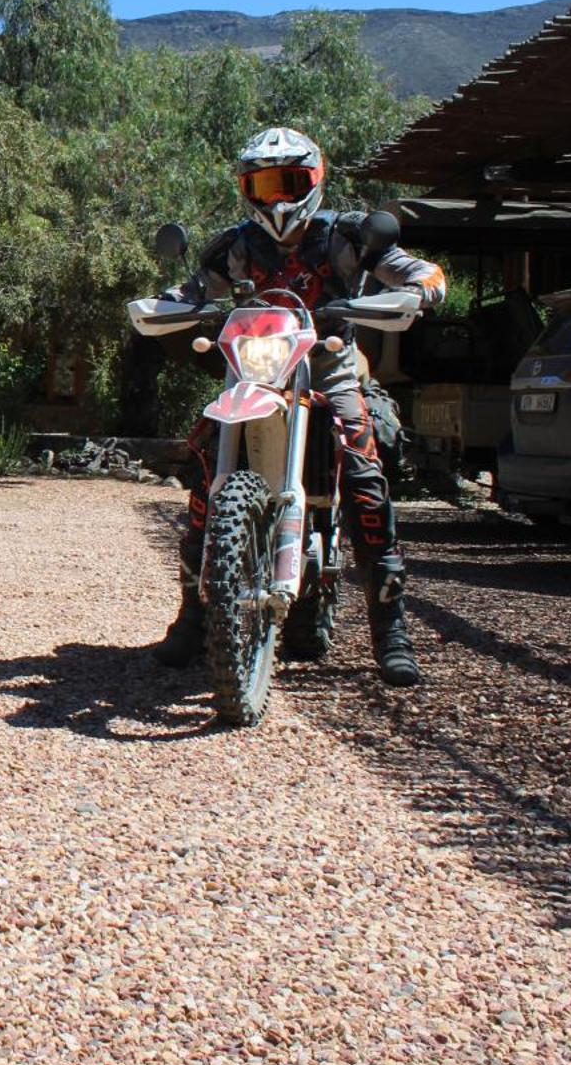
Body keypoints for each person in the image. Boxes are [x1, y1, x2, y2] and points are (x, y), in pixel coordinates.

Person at [153, 127, 446, 687]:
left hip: (329, 366)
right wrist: (163, 306)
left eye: (287, 182)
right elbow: (193, 289)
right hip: (255, 369)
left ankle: (390, 627)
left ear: (314, 179)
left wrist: (418, 289)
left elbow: (418, 271)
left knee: (362, 466)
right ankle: (193, 614)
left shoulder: (349, 234)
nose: (275, 198)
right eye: (261, 185)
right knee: (204, 459)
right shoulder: (238, 243)